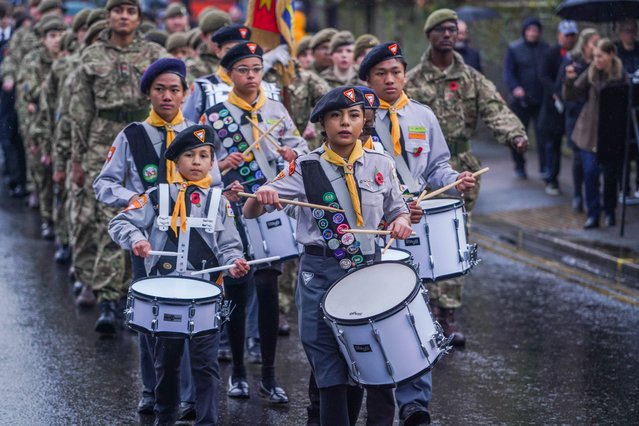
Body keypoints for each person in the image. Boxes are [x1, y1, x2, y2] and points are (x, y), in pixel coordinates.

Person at [243, 86, 414, 426]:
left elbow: (400, 210)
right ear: (323, 124)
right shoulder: (304, 167)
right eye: (336, 116)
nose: (345, 123)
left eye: (353, 116)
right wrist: (262, 195)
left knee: (363, 357)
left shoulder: (381, 164)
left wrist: (402, 222)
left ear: (363, 121)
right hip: (320, 271)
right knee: (326, 357)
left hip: (367, 272)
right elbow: (250, 210)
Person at [360, 40, 477, 426]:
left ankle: (414, 401)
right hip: (374, 229)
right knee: (376, 312)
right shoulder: (355, 118)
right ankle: (375, 394)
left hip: (416, 223)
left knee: (416, 312)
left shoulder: (422, 116)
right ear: (367, 79)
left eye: (396, 72)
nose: (390, 80)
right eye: (381, 74)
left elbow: (437, 167)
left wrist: (454, 179)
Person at [108, 124, 250, 426]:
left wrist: (234, 262)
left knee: (205, 365)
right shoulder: (156, 196)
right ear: (176, 162)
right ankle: (165, 417)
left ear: (212, 162)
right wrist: (137, 240)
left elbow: (229, 246)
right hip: (166, 297)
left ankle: (207, 420)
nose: (197, 161)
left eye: (204, 155)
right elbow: (120, 222)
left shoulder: (220, 203)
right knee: (166, 364)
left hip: (206, 297)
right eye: (189, 155)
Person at [405, 8, 527, 349]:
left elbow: (495, 108)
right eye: (440, 29)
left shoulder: (471, 78)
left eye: (452, 29)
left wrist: (514, 136)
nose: (448, 34)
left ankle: (448, 312)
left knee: (454, 242)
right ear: (428, 35)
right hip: (419, 167)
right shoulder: (412, 81)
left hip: (461, 167)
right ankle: (422, 307)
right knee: (419, 240)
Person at [204, 41, 308, 403]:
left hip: (271, 208)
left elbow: (303, 154)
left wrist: (293, 154)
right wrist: (221, 169)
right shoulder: (215, 116)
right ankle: (236, 372)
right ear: (229, 74)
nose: (251, 77)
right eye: (243, 70)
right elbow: (198, 171)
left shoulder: (277, 110)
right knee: (237, 288)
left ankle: (268, 374)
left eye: (256, 69)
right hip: (235, 209)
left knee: (267, 289)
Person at [68, 0, 166, 333]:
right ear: (108, 16)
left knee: (148, 215)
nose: (123, 16)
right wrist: (76, 158)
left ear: (138, 18)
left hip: (146, 139)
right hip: (101, 138)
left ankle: (138, 295)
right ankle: (109, 298)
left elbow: (175, 98)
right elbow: (79, 110)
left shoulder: (155, 54)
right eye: (118, 10)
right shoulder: (91, 56)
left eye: (130, 11)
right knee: (108, 218)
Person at [564, 38, 628, 229]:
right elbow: (572, 94)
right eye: (594, 57)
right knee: (590, 173)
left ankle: (609, 212)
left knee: (610, 177)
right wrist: (569, 79)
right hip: (589, 132)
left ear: (611, 55)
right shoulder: (591, 72)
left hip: (611, 134)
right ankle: (593, 214)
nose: (596, 60)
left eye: (600, 56)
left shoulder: (621, 76)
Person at [17, 16, 66, 239]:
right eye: (52, 36)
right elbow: (31, 91)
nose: (57, 40)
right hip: (40, 124)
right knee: (44, 175)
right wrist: (48, 88)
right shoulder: (33, 62)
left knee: (61, 181)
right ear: (43, 39)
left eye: (60, 35)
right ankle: (48, 219)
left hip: (62, 125)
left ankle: (62, 226)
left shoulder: (69, 60)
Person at [557, 28, 601, 213]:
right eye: (594, 42)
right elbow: (564, 89)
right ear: (584, 44)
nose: (597, 46)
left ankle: (594, 196)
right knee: (577, 159)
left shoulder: (600, 62)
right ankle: (577, 194)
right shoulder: (573, 60)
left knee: (594, 160)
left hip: (594, 118)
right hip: (576, 116)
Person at [503, 16, 549, 179]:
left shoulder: (545, 49)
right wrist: (515, 88)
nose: (532, 33)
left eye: (535, 30)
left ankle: (545, 167)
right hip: (521, 102)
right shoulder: (515, 49)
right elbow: (508, 73)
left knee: (543, 135)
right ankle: (519, 166)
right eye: (530, 30)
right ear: (524, 31)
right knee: (519, 136)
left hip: (540, 100)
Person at [539, 20, 578, 196]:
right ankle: (551, 179)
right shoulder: (550, 53)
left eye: (572, 36)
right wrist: (556, 93)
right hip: (553, 107)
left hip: (572, 107)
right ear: (559, 35)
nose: (570, 39)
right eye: (566, 35)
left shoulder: (577, 55)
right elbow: (544, 76)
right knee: (552, 145)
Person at [615, 19, 639, 198]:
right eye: (626, 31)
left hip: (637, 102)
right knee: (621, 147)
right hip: (621, 104)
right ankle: (623, 186)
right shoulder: (615, 51)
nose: (630, 34)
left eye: (632, 31)